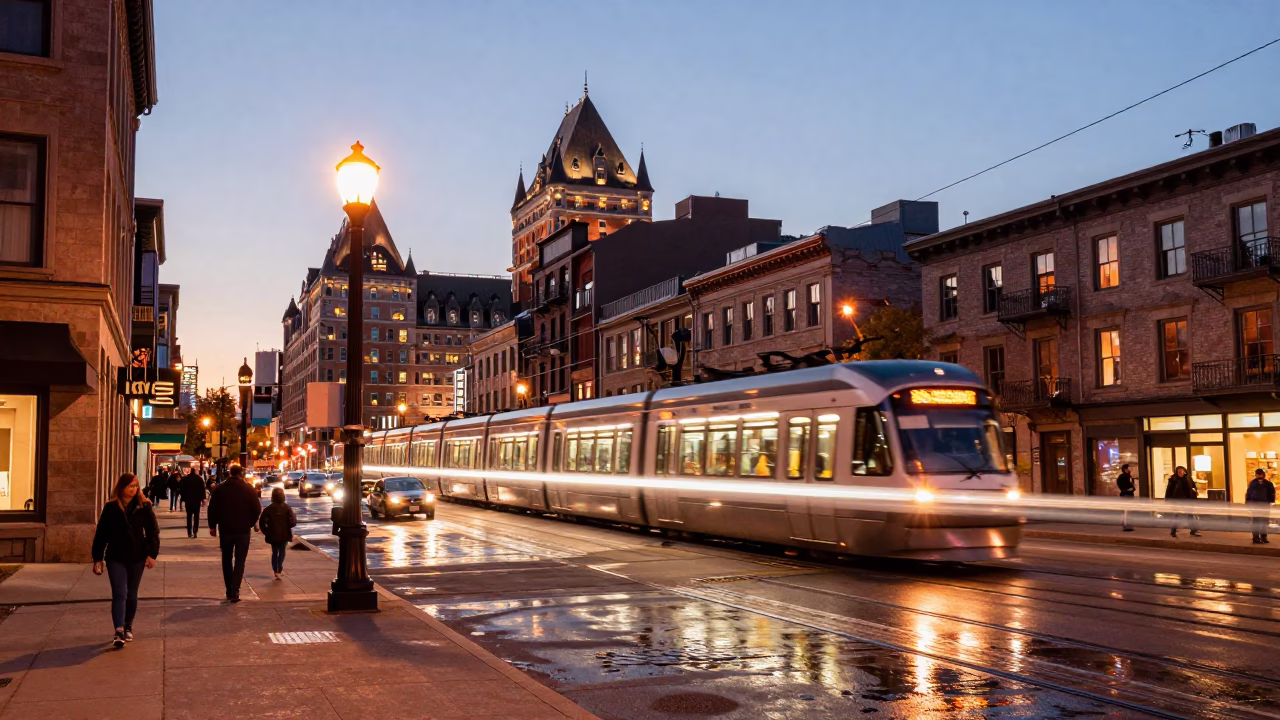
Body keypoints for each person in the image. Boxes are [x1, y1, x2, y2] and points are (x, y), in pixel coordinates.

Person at [91, 473, 160, 648]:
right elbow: (101, 534)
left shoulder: (144, 506)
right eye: (130, 486)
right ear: (121, 487)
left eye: (135, 486)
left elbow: (153, 533)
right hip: (116, 556)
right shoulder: (111, 507)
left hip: (137, 556)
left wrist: (152, 554)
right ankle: (119, 630)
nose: (133, 489)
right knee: (119, 593)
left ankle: (128, 624)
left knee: (131, 593)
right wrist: (97, 557)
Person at [207, 464, 261, 602]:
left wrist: (213, 526)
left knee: (226, 559)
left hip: (225, 529)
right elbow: (256, 509)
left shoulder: (220, 489)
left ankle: (228, 589)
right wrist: (249, 523)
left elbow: (212, 508)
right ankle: (235, 590)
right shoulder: (249, 489)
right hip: (243, 530)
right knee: (240, 560)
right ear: (241, 474)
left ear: (230, 473)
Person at [257, 487, 298, 579]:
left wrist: (266, 532)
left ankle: (275, 569)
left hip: (273, 534)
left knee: (274, 551)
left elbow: (262, 522)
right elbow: (293, 522)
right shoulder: (287, 508)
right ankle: (279, 568)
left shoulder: (268, 509)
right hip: (284, 534)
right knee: (282, 551)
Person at [1164, 465, 1200, 538]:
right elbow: (1169, 490)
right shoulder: (1173, 479)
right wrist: (1167, 499)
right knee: (1176, 516)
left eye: (1181, 471)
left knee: (1190, 515)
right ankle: (1173, 531)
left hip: (1187, 500)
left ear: (1184, 472)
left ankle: (1193, 530)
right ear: (1177, 472)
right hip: (1177, 500)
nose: (1180, 472)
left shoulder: (1188, 479)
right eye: (1179, 471)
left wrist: (1195, 492)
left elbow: (1193, 486)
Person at [1246, 468, 1276, 544]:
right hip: (1256, 505)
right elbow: (1249, 493)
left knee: (1264, 522)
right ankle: (1256, 538)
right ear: (1256, 475)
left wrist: (1271, 502)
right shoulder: (1253, 483)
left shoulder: (1268, 484)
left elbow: (1272, 494)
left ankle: (1264, 537)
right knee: (1256, 522)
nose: (1259, 476)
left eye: (1260, 474)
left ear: (1263, 474)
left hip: (1265, 505)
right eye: (1258, 474)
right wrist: (1248, 503)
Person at [178, 468, 207, 538]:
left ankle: (189, 531)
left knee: (189, 516)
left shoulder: (185, 479)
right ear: (195, 472)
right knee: (196, 516)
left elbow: (181, 488)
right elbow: (202, 489)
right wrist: (203, 498)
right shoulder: (199, 479)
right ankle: (195, 530)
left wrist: (183, 497)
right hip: (197, 500)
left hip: (188, 500)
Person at [1116, 464, 1136, 531]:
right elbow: (1129, 487)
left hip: (1124, 495)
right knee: (1128, 512)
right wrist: (1131, 489)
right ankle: (1127, 526)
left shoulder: (1122, 477)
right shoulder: (1126, 477)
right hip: (1127, 495)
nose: (1129, 470)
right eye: (1128, 468)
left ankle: (1126, 526)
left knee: (1125, 512)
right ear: (1125, 469)